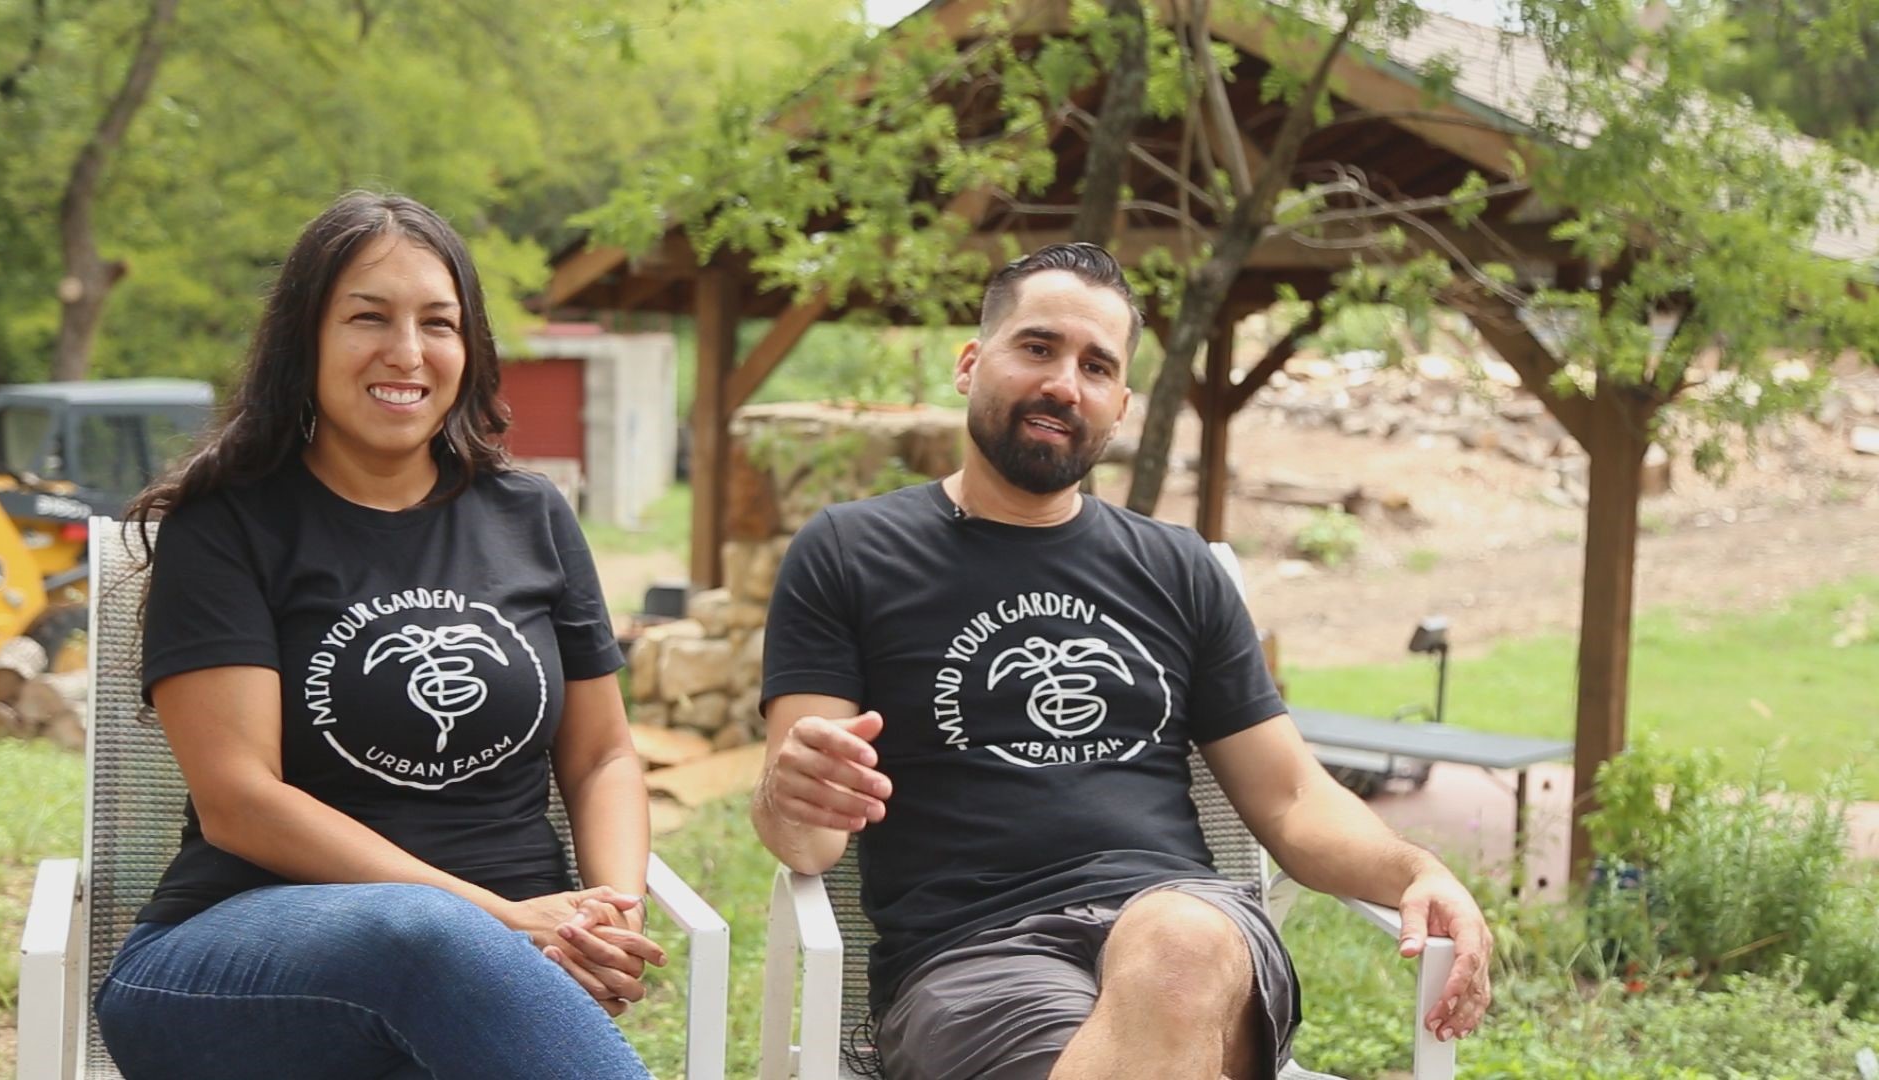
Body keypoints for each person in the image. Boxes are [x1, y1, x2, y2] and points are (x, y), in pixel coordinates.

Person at [752, 243, 1495, 1080]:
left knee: (1175, 943)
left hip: (1192, 930)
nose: (1065, 384)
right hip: (972, 960)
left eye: (1096, 366)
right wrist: (788, 797)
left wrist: (1414, 870)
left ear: (1119, 405)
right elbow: (807, 834)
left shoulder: (1179, 571)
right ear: (971, 362)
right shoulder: (849, 553)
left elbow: (1291, 798)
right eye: (1038, 348)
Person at [94, 192, 660, 1080]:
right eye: (368, 317)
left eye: (438, 322)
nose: (407, 352)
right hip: (242, 961)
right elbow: (239, 800)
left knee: (442, 955)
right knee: (423, 932)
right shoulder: (229, 524)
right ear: (305, 340)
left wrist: (608, 914)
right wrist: (501, 920)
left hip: (501, 972)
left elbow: (602, 758)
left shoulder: (532, 515)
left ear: (469, 349)